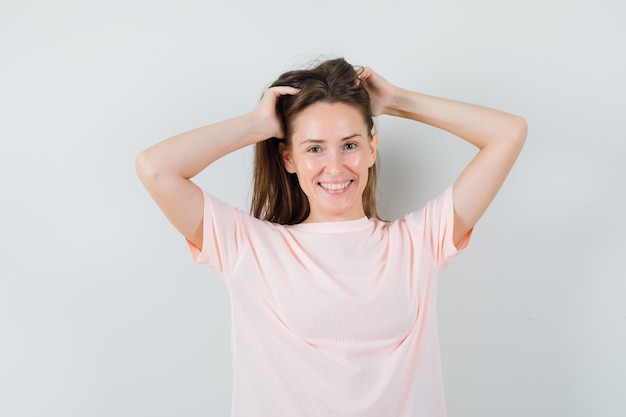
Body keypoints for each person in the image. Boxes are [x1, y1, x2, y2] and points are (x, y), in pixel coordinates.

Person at [136, 58, 527, 416]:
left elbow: (508, 133)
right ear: (288, 158)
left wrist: (396, 101)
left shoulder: (418, 243)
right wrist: (259, 125)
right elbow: (155, 168)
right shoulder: (248, 247)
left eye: (350, 145)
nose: (335, 167)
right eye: (314, 149)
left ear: (372, 149)